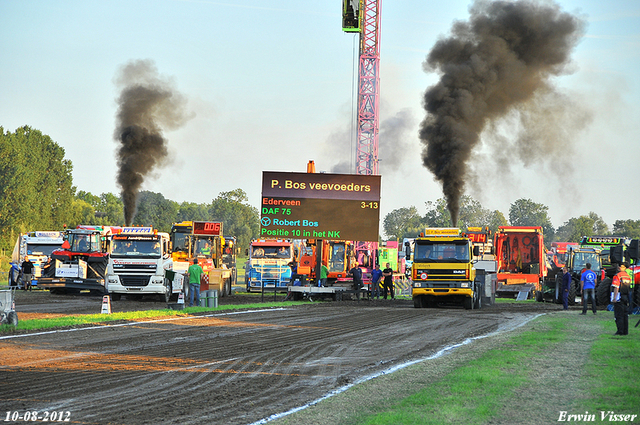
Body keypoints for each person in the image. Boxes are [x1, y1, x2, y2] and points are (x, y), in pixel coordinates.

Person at [611, 262, 632, 335]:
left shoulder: (617, 276)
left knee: (619, 314)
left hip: (619, 296)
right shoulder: (628, 276)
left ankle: (620, 331)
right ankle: (625, 331)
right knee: (625, 314)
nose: (619, 267)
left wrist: (614, 298)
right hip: (626, 296)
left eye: (621, 266)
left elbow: (616, 287)